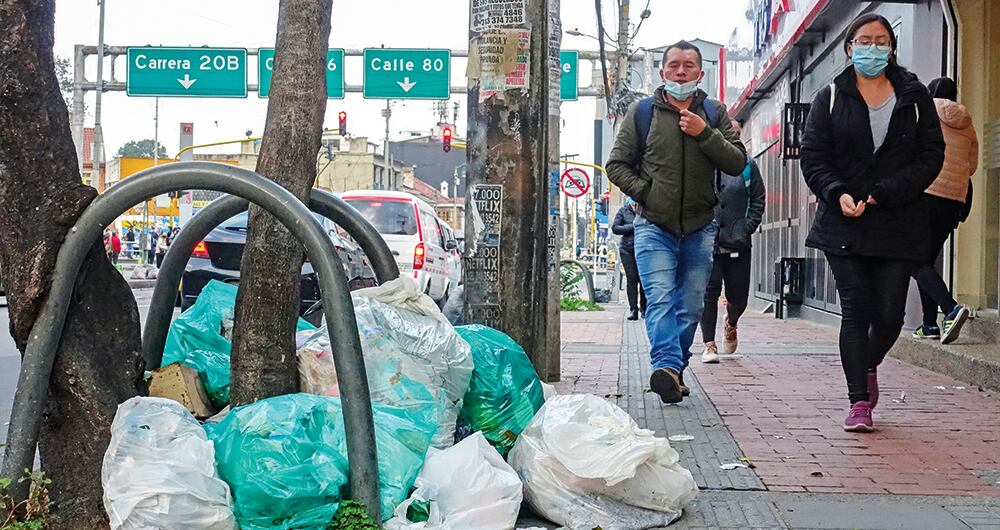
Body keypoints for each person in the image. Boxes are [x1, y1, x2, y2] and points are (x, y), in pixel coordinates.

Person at [800, 13, 944, 432]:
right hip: (842, 222)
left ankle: (866, 366)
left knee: (889, 317)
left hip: (898, 221)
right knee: (855, 311)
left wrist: (884, 192)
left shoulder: (915, 97)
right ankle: (858, 402)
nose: (873, 48)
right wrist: (837, 192)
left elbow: (931, 156)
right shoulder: (829, 96)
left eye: (882, 41)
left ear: (892, 47)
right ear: (849, 47)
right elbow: (814, 156)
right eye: (864, 41)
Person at [606, 40, 747, 404]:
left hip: (700, 226)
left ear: (700, 74)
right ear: (662, 71)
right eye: (674, 65)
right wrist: (645, 193)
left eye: (688, 66)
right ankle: (668, 364)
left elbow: (736, 162)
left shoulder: (714, 113)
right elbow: (616, 165)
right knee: (660, 299)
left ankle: (671, 370)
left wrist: (704, 133)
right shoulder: (642, 113)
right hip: (653, 224)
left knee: (690, 306)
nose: (680, 72)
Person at [910, 77, 976, 344]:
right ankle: (929, 324)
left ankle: (951, 308)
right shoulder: (967, 124)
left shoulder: (922, 112)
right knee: (925, 259)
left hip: (925, 195)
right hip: (953, 201)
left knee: (913, 259)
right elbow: (971, 167)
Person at [699, 121, 766, 363]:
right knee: (708, 295)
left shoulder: (748, 165)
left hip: (738, 242)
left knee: (738, 298)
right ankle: (708, 345)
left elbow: (758, 198)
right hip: (707, 241)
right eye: (727, 133)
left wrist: (746, 227)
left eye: (736, 134)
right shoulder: (703, 162)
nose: (731, 138)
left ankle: (731, 321)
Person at [612, 196, 647, 321]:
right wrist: (633, 226)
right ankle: (633, 309)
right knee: (632, 279)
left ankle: (644, 308)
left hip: (644, 248)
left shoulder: (646, 209)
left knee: (644, 280)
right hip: (627, 250)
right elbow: (615, 228)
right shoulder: (623, 211)